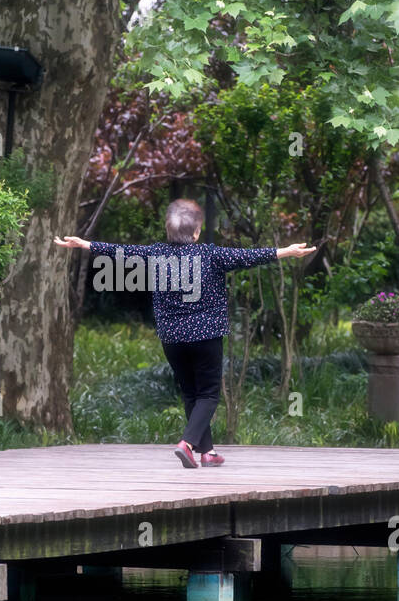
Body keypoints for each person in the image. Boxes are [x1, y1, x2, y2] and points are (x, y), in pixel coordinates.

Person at [54, 199, 315, 469]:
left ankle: (209, 452)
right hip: (205, 336)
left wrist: (85, 244)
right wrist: (287, 251)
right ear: (196, 232)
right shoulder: (211, 255)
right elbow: (249, 256)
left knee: (192, 394)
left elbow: (121, 251)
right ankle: (187, 444)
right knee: (209, 394)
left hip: (173, 339)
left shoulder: (156, 254)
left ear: (169, 232)